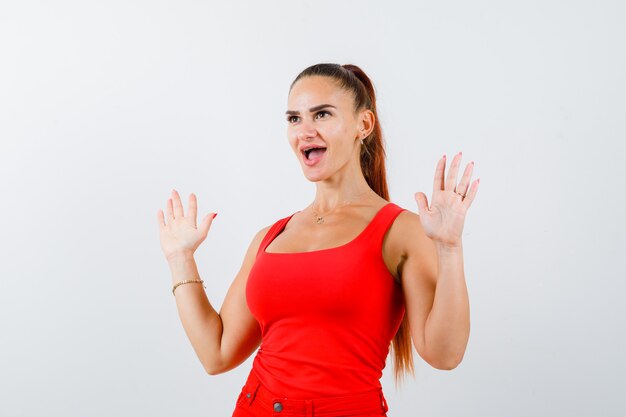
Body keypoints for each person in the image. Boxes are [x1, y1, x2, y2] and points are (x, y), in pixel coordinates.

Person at [157, 63, 479, 417]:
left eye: (321, 114)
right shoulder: (270, 237)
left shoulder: (402, 231)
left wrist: (449, 249)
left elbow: (444, 355)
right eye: (294, 119)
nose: (304, 131)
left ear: (364, 125)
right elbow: (216, 353)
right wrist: (180, 258)